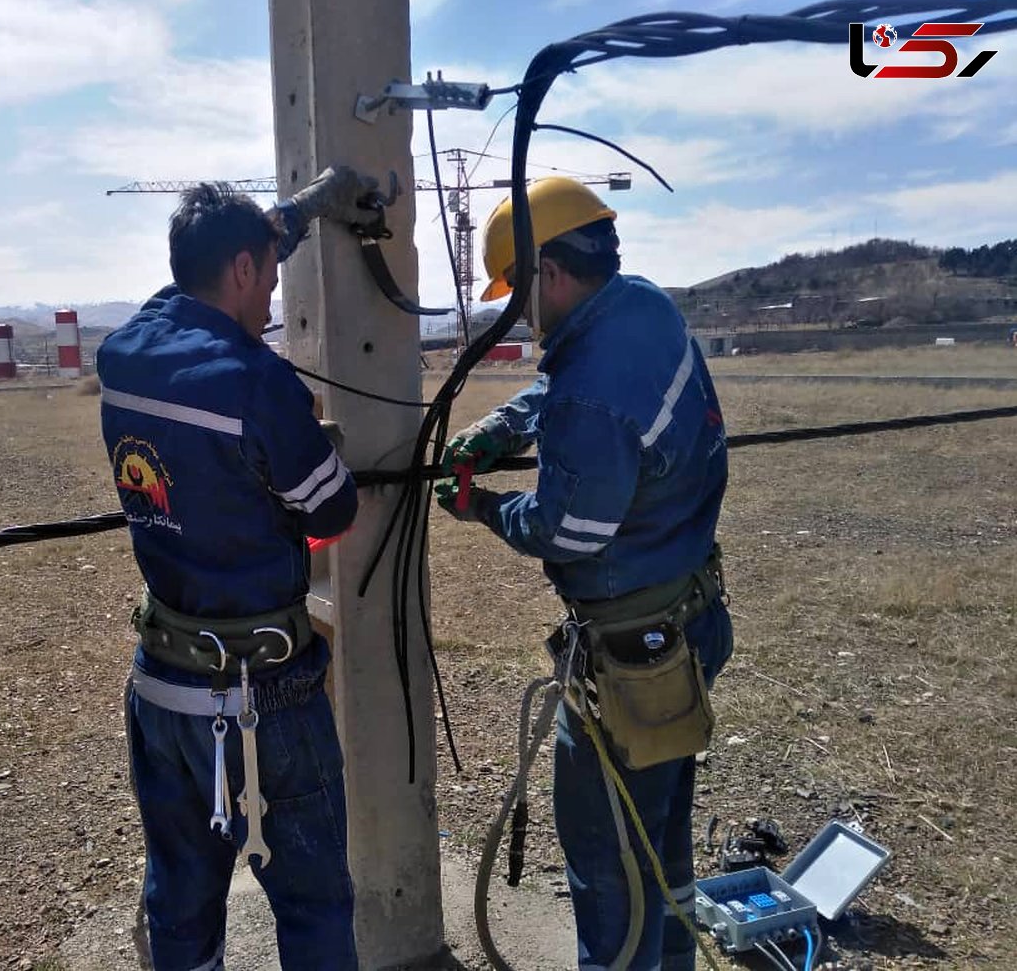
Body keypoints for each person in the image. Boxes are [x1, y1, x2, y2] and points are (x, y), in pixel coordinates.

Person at [435, 177, 733, 971]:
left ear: (552, 275)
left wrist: (483, 507)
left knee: (607, 873)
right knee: (660, 855)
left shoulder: (590, 394)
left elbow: (564, 529)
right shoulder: (640, 307)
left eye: (519, 293)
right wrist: (502, 426)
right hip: (691, 618)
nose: (518, 311)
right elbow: (561, 387)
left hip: (634, 662)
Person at [97, 168, 378, 971]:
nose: (272, 307)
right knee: (314, 903)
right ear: (247, 269)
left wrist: (293, 214)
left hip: (161, 688)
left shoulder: (125, 353)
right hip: (264, 699)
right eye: (269, 278)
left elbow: (192, 286)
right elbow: (332, 510)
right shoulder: (258, 383)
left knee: (182, 902)